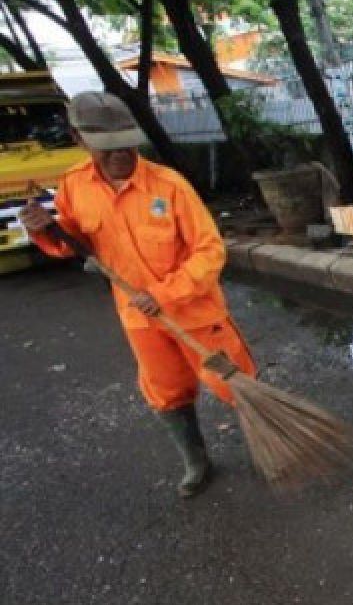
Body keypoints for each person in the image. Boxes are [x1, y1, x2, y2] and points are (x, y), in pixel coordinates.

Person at [20, 91, 256, 499]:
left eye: (126, 144)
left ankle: (269, 446)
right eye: (108, 148)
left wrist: (164, 293)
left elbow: (210, 249)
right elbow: (73, 242)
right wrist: (45, 228)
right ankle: (196, 461)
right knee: (166, 390)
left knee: (232, 383)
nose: (121, 156)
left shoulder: (169, 185)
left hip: (194, 310)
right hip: (137, 317)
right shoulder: (74, 186)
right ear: (81, 140)